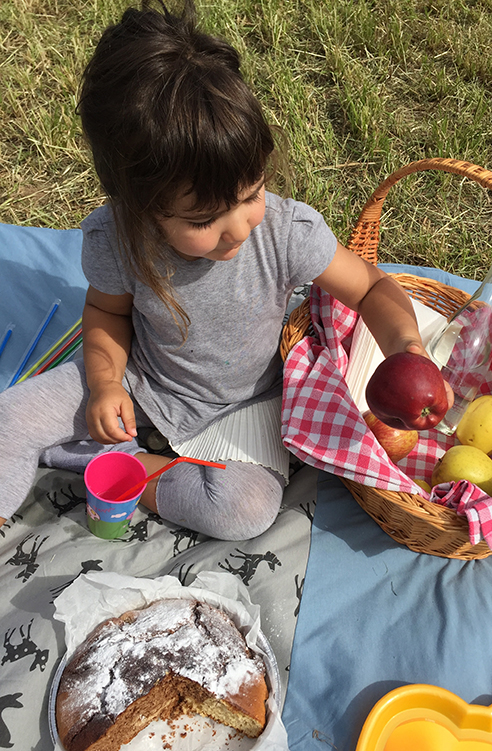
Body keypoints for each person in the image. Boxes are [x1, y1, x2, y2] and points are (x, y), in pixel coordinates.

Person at [0, 0, 444, 538]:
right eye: (205, 218)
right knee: (10, 419)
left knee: (245, 511)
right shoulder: (119, 239)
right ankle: (91, 451)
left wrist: (408, 350)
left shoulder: (285, 234)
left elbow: (372, 288)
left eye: (252, 193)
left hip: (245, 406)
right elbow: (105, 314)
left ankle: (117, 467)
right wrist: (104, 383)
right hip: (144, 381)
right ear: (140, 206)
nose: (238, 226)